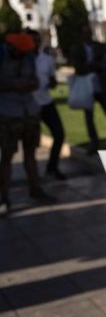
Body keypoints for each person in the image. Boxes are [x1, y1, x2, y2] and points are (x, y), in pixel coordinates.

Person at [0, 31, 54, 216]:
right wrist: (16, 85)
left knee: (31, 154)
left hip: (29, 112)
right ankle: (3, 197)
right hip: (7, 113)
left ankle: (35, 189)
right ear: (11, 47)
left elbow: (35, 82)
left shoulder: (29, 57)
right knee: (7, 156)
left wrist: (23, 84)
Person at [69, 23, 106, 154]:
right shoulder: (77, 49)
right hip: (87, 87)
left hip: (101, 86)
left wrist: (93, 66)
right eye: (85, 32)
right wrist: (93, 66)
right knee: (89, 117)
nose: (88, 35)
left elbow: (105, 64)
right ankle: (94, 141)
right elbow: (78, 67)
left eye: (89, 32)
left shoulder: (100, 46)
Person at [29, 29, 66, 180]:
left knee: (59, 133)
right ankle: (33, 176)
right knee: (31, 143)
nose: (35, 43)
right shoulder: (23, 60)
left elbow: (52, 80)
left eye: (37, 40)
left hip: (46, 101)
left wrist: (52, 82)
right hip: (30, 106)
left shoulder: (46, 59)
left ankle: (52, 167)